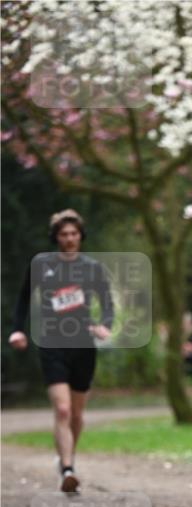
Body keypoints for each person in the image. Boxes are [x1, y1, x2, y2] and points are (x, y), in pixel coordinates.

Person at [8, 209, 113, 492]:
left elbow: (106, 304)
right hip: (52, 343)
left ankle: (68, 458)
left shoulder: (91, 268)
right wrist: (17, 329)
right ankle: (67, 468)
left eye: (74, 234)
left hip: (83, 346)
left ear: (80, 236)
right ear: (56, 237)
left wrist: (104, 325)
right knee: (63, 410)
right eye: (64, 234)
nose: (69, 238)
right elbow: (22, 300)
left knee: (77, 414)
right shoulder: (42, 264)